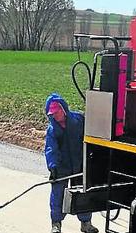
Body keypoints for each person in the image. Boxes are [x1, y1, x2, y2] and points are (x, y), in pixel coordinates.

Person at [45, 93, 98, 233]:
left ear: (63, 109)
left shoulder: (78, 120)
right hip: (62, 167)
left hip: (80, 165)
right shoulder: (52, 130)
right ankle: (56, 224)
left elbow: (89, 138)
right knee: (58, 195)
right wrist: (53, 167)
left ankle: (86, 223)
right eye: (52, 114)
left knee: (83, 194)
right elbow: (51, 150)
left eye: (57, 112)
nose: (55, 116)